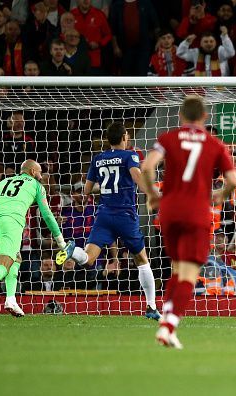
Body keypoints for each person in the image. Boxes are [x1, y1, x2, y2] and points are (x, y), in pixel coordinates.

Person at [139, 95, 236, 349]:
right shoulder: (214, 144)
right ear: (204, 117)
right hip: (196, 211)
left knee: (176, 269)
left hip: (170, 210)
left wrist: (153, 195)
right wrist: (221, 195)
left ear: (181, 116)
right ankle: (168, 326)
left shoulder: (168, 138)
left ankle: (167, 323)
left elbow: (148, 166)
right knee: (189, 274)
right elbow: (234, 180)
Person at [59, 122, 160, 321]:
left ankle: (73, 250)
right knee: (141, 260)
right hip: (125, 215)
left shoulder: (97, 159)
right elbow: (136, 175)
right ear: (124, 137)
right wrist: (151, 192)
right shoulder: (129, 155)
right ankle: (151, 306)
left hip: (104, 215)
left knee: (89, 258)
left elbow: (86, 191)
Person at [0, 160, 68, 316]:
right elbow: (47, 215)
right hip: (12, 222)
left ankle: (11, 299)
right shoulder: (37, 186)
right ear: (31, 172)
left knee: (16, 258)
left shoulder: (3, 182)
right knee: (4, 264)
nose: (41, 176)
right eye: (39, 172)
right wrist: (61, 241)